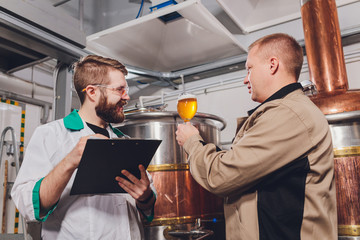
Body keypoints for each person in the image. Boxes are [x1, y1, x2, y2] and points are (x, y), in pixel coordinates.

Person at [176, 33, 337, 240]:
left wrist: (192, 142)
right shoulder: (281, 112)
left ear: (272, 65)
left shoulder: (289, 114)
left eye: (249, 69)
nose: (245, 79)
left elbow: (222, 175)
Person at [11, 55, 156, 239]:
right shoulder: (50, 135)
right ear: (92, 92)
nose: (127, 97)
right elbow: (27, 204)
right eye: (120, 89)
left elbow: (148, 207)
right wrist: (71, 160)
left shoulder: (125, 141)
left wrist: (145, 197)